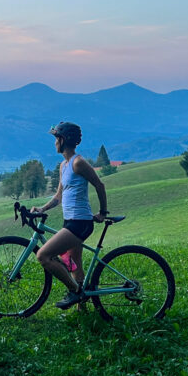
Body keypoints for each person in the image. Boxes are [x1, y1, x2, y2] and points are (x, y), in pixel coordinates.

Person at [31, 122, 108, 309]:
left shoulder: (78, 163)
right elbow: (59, 196)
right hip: (71, 222)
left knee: (43, 256)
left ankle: (75, 291)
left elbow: (99, 185)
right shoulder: (63, 165)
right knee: (73, 265)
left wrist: (102, 213)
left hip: (80, 222)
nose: (55, 142)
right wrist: (42, 209)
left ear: (63, 140)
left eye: (56, 138)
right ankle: (82, 307)